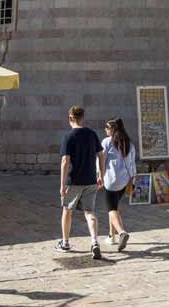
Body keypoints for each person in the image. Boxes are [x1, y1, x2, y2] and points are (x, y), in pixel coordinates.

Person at [56, 105, 105, 260]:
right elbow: (101, 154)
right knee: (89, 212)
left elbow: (65, 160)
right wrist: (101, 174)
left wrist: (62, 184)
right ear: (83, 118)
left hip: (74, 180)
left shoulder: (68, 136)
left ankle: (65, 243)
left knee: (67, 211)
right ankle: (94, 241)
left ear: (70, 118)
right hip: (91, 179)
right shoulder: (92, 134)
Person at [101, 118, 136, 252]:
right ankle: (112, 236)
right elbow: (132, 164)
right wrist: (132, 180)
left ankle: (121, 232)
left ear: (113, 129)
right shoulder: (129, 143)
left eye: (107, 127)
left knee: (111, 209)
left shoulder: (107, 142)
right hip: (124, 180)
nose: (105, 129)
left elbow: (101, 161)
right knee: (114, 207)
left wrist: (99, 176)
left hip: (110, 181)